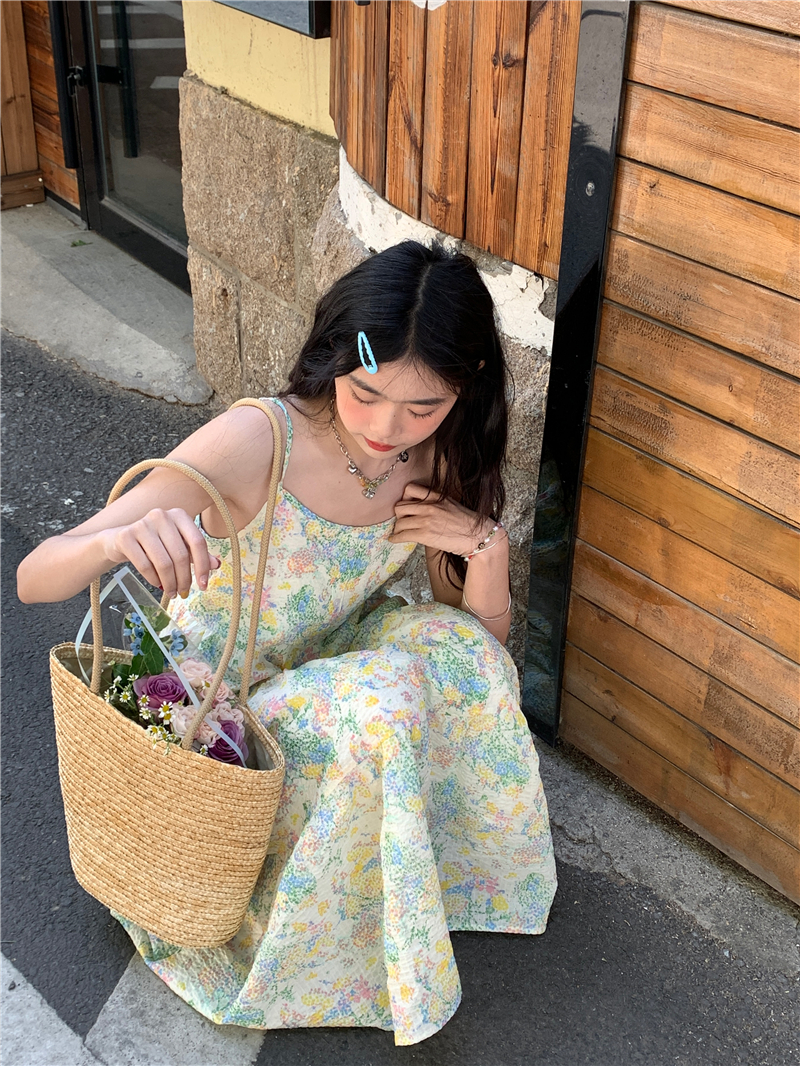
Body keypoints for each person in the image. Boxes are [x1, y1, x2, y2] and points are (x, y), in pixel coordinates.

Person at [17, 240, 557, 1046]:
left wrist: (486, 547)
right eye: (364, 392)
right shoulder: (260, 439)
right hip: (209, 699)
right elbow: (35, 577)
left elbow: (475, 651)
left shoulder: (441, 450)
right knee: (383, 699)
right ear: (334, 357)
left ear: (465, 385)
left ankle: (411, 876)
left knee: (453, 659)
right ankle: (313, 928)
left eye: (423, 405)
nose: (387, 428)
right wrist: (117, 542)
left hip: (326, 667)